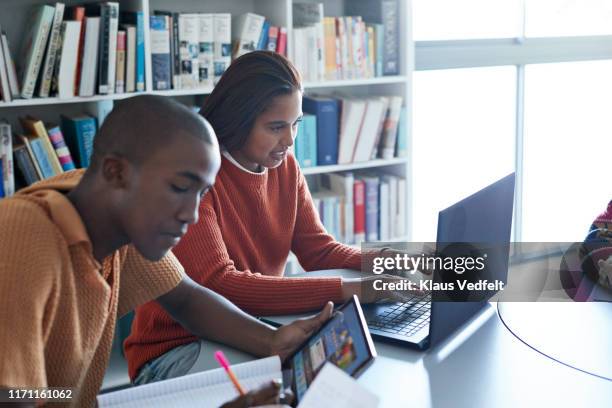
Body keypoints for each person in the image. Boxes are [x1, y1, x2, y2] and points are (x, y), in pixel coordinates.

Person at [0, 95, 332, 407]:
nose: (192, 213)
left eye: (201, 193)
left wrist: (272, 341)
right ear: (116, 172)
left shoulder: (108, 215)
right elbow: (20, 396)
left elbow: (185, 298)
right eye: (179, 188)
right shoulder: (21, 237)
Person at [125, 51, 413, 384]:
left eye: (296, 124)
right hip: (177, 349)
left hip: (257, 330)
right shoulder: (198, 173)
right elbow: (220, 284)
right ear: (238, 119)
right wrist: (353, 289)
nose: (289, 141)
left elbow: (317, 250)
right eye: (276, 127)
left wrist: (380, 262)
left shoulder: (283, 166)